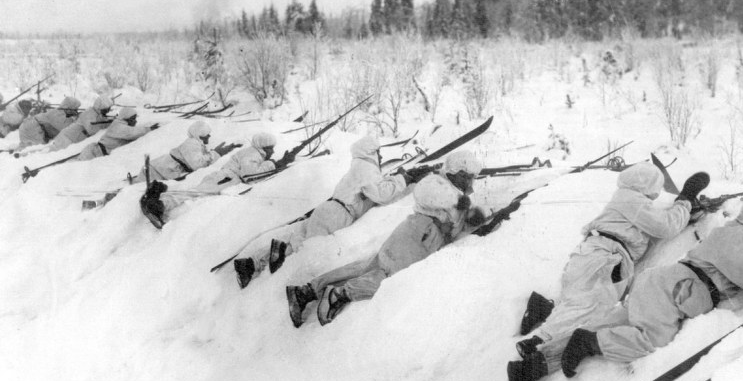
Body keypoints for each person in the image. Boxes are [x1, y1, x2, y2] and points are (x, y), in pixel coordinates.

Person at [544, 195, 743, 381]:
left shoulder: (735, 235)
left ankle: (537, 363)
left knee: (614, 321)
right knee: (652, 340)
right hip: (672, 291)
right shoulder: (735, 239)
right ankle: (589, 343)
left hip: (666, 285)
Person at [507, 163, 709, 381]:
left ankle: (543, 311)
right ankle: (535, 344)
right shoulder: (633, 201)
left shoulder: (627, 200)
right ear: (647, 184)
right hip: (604, 258)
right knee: (586, 308)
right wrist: (686, 199)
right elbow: (665, 226)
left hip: (595, 254)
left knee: (578, 302)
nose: (656, 195)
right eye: (656, 189)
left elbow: (653, 228)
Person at [285, 150, 487, 327]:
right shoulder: (439, 181)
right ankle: (339, 294)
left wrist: (471, 219)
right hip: (419, 233)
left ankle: (306, 291)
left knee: (369, 267)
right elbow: (424, 193)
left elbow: (455, 224)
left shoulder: (454, 190)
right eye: (469, 177)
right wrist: (458, 201)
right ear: (459, 172)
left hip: (422, 236)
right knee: (391, 280)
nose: (471, 183)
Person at [233, 133, 428, 288]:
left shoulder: (357, 167)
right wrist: (404, 179)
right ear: (371, 152)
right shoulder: (367, 169)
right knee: (310, 249)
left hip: (327, 209)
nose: (381, 156)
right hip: (339, 214)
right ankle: (299, 287)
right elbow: (381, 194)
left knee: (299, 238)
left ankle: (251, 263)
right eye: (379, 152)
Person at [140, 132, 277, 228]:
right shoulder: (252, 154)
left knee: (194, 191)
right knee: (195, 193)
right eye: (270, 148)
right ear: (262, 147)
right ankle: (159, 205)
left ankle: (157, 196)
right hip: (226, 178)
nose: (273, 152)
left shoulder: (252, 152)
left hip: (223, 177)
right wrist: (273, 164)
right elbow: (249, 175)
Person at [146, 120, 229, 181]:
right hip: (157, 171)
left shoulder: (195, 143)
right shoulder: (191, 143)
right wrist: (216, 153)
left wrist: (214, 152)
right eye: (206, 134)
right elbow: (197, 165)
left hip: (161, 169)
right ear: (199, 135)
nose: (209, 136)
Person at [77, 106, 157, 160]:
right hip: (94, 153)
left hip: (97, 152)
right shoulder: (119, 126)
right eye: (133, 119)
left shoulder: (120, 123)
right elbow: (132, 133)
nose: (135, 121)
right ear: (126, 118)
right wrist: (149, 129)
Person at [17, 97, 81, 148]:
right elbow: (65, 128)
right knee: (36, 150)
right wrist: (77, 119)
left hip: (31, 127)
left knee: (30, 147)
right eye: (75, 109)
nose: (76, 112)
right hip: (32, 127)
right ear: (69, 108)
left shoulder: (59, 113)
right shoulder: (58, 114)